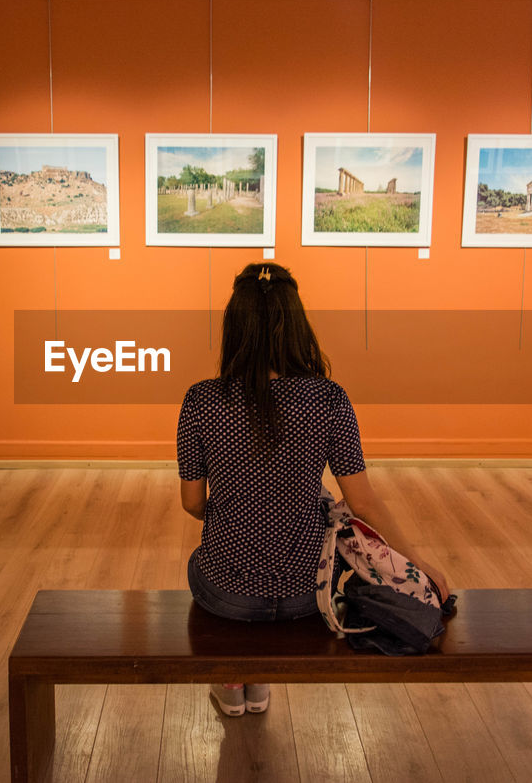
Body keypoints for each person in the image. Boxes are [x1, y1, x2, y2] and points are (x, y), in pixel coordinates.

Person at [176, 261, 449, 717]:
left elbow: (191, 503)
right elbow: (362, 502)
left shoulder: (202, 400)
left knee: (200, 562)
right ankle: (259, 683)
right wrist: (420, 562)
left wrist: (239, 510)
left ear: (234, 327)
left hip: (227, 592)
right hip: (309, 592)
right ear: (297, 325)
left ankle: (233, 682)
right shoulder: (328, 398)